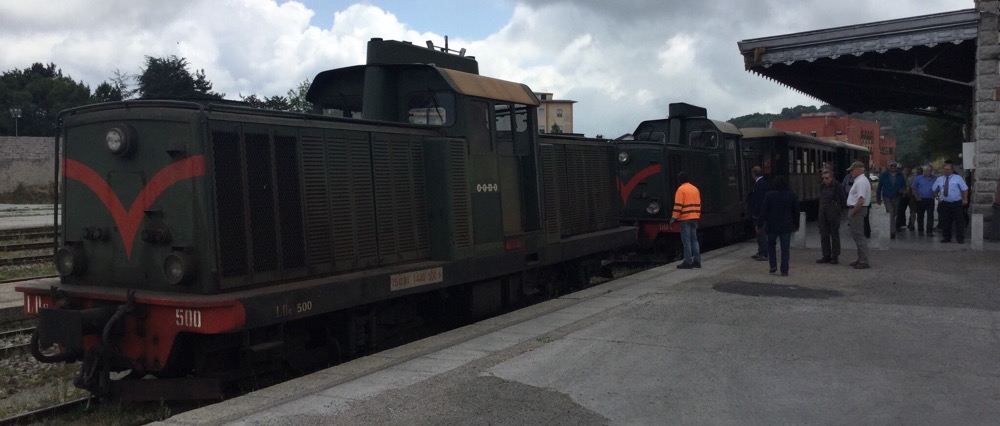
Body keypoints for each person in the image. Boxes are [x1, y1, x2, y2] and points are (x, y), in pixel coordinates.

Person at [759, 175, 799, 276]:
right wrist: (796, 225)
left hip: (772, 225)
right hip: (786, 226)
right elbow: (796, 212)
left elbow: (763, 211)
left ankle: (773, 265)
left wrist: (759, 224)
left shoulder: (769, 195)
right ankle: (784, 270)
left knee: (771, 245)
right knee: (785, 249)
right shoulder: (792, 195)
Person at [671, 171, 702, 269]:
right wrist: (697, 215)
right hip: (695, 217)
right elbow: (699, 204)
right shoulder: (695, 189)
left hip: (685, 218)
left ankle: (688, 261)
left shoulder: (681, 190)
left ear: (680, 180)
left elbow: (678, 205)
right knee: (694, 239)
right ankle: (697, 261)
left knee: (686, 240)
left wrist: (674, 217)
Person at [933, 163, 969, 243]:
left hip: (956, 203)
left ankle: (960, 238)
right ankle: (946, 237)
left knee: (959, 221)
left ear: (951, 170)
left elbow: (964, 189)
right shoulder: (940, 179)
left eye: (947, 169)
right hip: (945, 203)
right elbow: (934, 189)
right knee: (945, 221)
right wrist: (937, 197)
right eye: (944, 169)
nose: (945, 171)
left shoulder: (958, 178)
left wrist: (965, 199)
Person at [816, 170, 846, 264]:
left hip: (833, 209)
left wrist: (839, 210)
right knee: (824, 233)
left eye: (826, 178)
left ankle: (835, 256)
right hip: (823, 208)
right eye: (823, 178)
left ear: (831, 178)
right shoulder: (822, 186)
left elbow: (843, 199)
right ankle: (826, 255)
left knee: (834, 233)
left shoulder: (837, 186)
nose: (824, 180)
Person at [846, 161, 871, 269]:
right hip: (859, 209)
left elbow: (861, 200)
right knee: (857, 235)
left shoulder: (860, 182)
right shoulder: (861, 180)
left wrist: (853, 211)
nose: (851, 172)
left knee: (859, 236)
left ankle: (863, 260)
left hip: (857, 210)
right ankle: (860, 258)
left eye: (852, 170)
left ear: (858, 169)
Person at [876, 161, 906, 239]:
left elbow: (904, 186)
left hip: (897, 197)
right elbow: (879, 187)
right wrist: (878, 198)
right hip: (887, 197)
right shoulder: (884, 175)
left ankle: (891, 225)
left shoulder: (900, 175)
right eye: (891, 166)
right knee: (891, 213)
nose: (893, 167)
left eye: (894, 166)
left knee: (894, 213)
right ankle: (892, 232)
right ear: (888, 167)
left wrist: (902, 191)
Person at [748, 166, 770, 261]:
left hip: (759, 214)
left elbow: (758, 201)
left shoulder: (759, 184)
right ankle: (761, 251)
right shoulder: (763, 183)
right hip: (761, 213)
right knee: (760, 234)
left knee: (761, 233)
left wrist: (755, 213)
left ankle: (764, 253)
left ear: (753, 174)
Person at [911, 164, 936, 236]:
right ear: (924, 171)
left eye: (930, 170)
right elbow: (913, 188)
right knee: (920, 215)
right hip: (920, 199)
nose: (929, 172)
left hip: (930, 199)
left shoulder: (935, 179)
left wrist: (935, 194)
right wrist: (917, 197)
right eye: (928, 170)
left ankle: (929, 231)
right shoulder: (918, 178)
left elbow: (938, 188)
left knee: (930, 216)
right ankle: (920, 230)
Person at [896, 166, 914, 231]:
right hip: (903, 196)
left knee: (912, 211)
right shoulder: (901, 177)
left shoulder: (913, 178)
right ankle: (899, 224)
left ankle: (911, 224)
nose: (906, 172)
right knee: (900, 210)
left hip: (911, 196)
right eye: (905, 171)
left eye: (907, 171)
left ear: (910, 171)